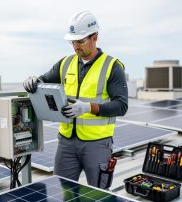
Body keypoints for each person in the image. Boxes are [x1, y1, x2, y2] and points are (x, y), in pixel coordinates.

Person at [23, 10, 128, 189]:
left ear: (95, 37)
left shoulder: (112, 66)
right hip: (66, 143)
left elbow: (121, 106)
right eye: (73, 41)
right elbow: (43, 80)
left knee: (97, 196)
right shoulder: (65, 63)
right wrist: (34, 81)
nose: (75, 46)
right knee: (61, 192)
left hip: (97, 145)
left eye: (80, 41)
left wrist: (89, 108)